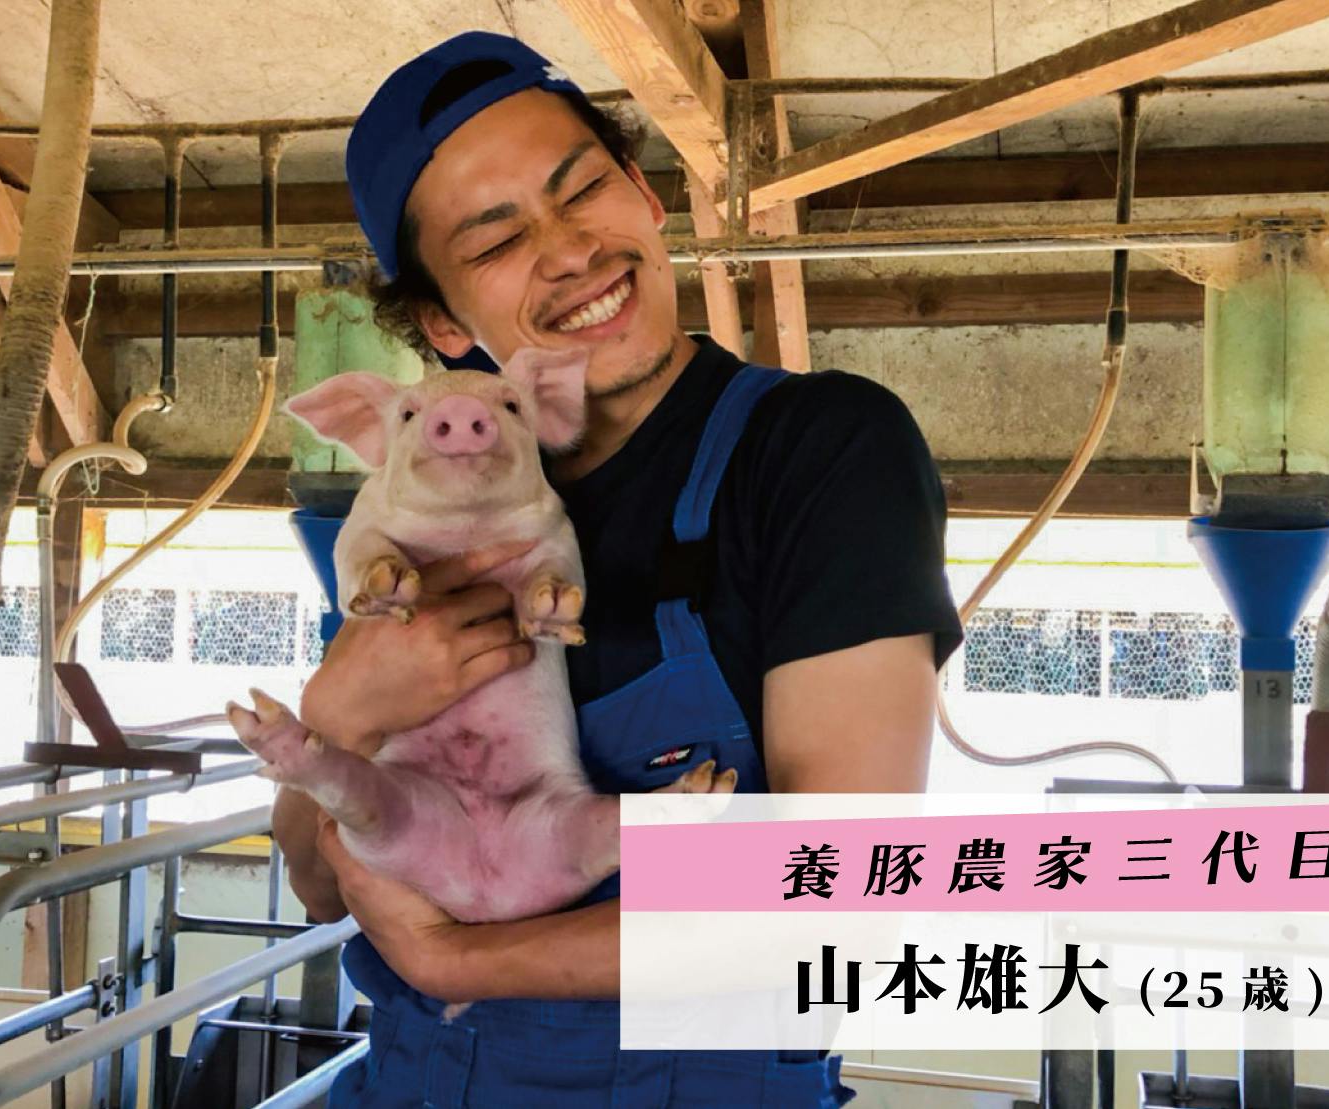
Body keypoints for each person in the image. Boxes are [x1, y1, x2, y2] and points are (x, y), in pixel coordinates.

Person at [270, 30, 963, 1108]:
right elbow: (319, 884)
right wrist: (337, 713)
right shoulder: (423, 510)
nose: (570, 252)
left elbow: (839, 890)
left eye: (583, 188)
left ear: (643, 190)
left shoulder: (816, 450)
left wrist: (457, 961)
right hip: (411, 1078)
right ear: (442, 321)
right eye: (498, 240)